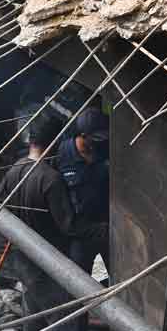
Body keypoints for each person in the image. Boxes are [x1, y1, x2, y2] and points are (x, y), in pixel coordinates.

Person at [0, 114, 81, 331]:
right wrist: (102, 229)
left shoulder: (16, 169)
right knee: (71, 324)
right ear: (53, 143)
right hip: (48, 263)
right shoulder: (50, 179)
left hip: (22, 260)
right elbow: (69, 225)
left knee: (34, 316)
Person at [57, 107, 110, 278]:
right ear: (82, 135)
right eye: (94, 138)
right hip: (82, 230)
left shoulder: (104, 148)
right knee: (78, 278)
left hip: (107, 226)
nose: (98, 142)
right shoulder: (63, 153)